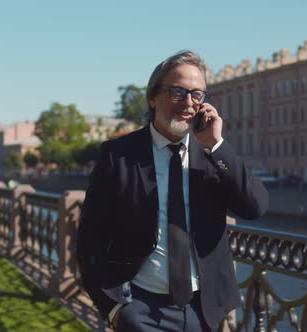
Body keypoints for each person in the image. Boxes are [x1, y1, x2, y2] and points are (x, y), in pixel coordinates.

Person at [77, 50, 269, 331]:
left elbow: (256, 207)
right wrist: (115, 308)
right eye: (177, 92)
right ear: (153, 97)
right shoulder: (118, 155)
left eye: (197, 94)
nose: (189, 103)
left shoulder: (212, 155)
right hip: (140, 309)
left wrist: (216, 146)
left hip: (205, 310)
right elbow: (90, 238)